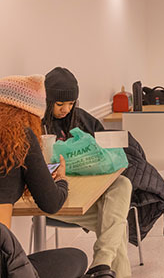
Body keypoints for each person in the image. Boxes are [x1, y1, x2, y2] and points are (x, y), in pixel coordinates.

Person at [42, 67, 133, 278]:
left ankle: (101, 264)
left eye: (71, 103)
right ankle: (101, 265)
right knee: (115, 226)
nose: (66, 109)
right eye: (60, 104)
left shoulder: (79, 119)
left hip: (87, 194)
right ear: (47, 100)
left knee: (123, 185)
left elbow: (105, 149)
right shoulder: (36, 125)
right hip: (55, 197)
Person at [0, 75, 88, 278]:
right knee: (77, 257)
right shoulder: (22, 137)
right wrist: (61, 180)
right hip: (5, 265)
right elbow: (51, 203)